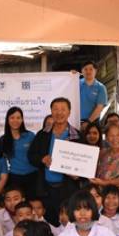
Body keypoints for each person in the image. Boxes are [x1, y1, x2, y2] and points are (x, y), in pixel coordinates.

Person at [28, 97, 83, 226]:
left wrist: (78, 175)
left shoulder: (77, 136)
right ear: (51, 111)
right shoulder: (43, 134)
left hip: (68, 189)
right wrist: (42, 159)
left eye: (63, 109)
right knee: (49, 223)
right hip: (45, 189)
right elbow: (31, 156)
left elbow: (83, 165)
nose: (59, 112)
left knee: (68, 222)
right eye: (56, 109)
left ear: (69, 112)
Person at [0, 107, 38, 199]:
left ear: (22, 119)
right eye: (12, 117)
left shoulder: (30, 136)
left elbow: (38, 153)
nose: (15, 120)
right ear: (7, 120)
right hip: (14, 177)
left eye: (18, 117)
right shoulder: (3, 140)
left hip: (33, 176)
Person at [79, 60, 107, 126]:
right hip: (76, 121)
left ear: (95, 71)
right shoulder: (76, 83)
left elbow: (99, 107)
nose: (88, 71)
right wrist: (71, 76)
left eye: (91, 69)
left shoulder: (101, 87)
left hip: (93, 122)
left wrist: (88, 122)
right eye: (85, 69)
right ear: (82, 71)